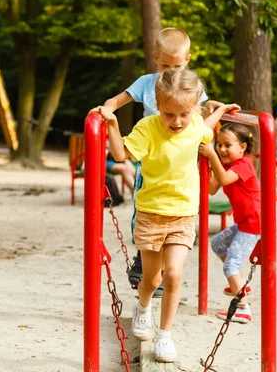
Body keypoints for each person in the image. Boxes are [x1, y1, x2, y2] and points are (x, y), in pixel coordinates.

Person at [96, 69, 239, 363]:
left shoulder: (195, 124)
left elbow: (205, 126)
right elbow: (121, 154)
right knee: (152, 278)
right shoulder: (148, 128)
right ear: (158, 106)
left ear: (194, 108)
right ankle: (143, 306)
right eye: (168, 113)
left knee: (173, 275)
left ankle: (165, 335)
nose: (176, 121)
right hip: (151, 213)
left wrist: (221, 109)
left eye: (184, 114)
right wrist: (112, 122)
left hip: (183, 215)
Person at [94, 27, 232, 296]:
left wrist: (214, 106)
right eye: (165, 65)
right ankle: (143, 255)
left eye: (177, 66)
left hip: (180, 154)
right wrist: (107, 109)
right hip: (151, 151)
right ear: (155, 57)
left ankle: (167, 263)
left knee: (179, 204)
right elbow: (118, 100)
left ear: (188, 60)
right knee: (143, 204)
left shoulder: (188, 84)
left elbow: (200, 112)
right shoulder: (147, 82)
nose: (170, 72)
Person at [198, 123, 260, 324]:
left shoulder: (244, 164)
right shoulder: (225, 165)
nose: (222, 150)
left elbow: (224, 180)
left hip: (254, 223)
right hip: (243, 222)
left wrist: (213, 157)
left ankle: (242, 308)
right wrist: (205, 164)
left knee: (231, 264)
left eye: (228, 145)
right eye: (219, 145)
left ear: (242, 147)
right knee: (218, 245)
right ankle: (240, 284)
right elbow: (212, 188)